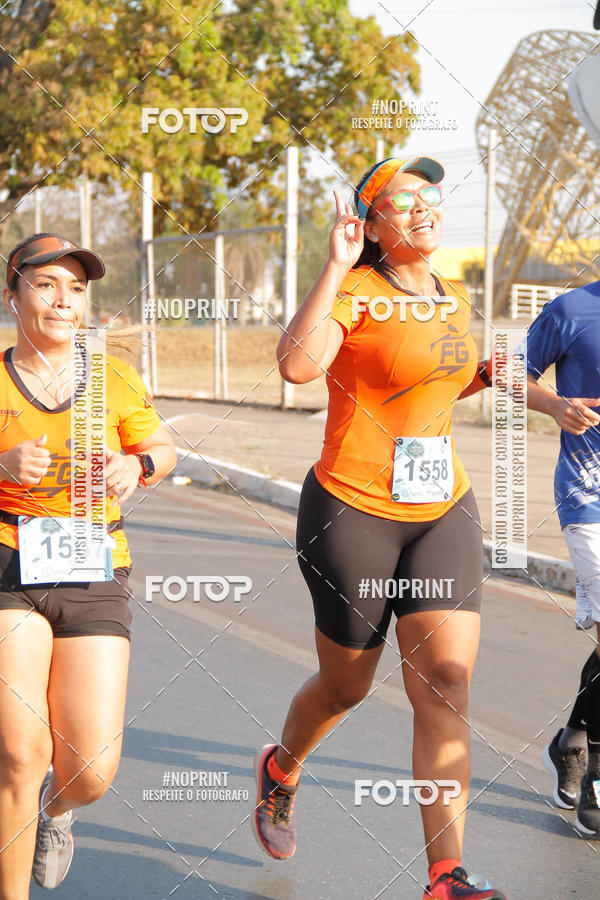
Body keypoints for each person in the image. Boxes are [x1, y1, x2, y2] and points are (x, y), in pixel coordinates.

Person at [252, 157, 506, 899]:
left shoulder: (455, 297)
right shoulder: (355, 291)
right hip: (352, 512)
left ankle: (444, 874)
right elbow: (298, 368)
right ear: (372, 225)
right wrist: (332, 267)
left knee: (447, 684)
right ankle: (282, 767)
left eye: (432, 195)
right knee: (346, 686)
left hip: (440, 511)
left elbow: (446, 381)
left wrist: (513, 383)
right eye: (403, 200)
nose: (424, 207)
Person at [0, 232, 176, 897]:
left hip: (93, 569)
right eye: (45, 285)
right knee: (21, 755)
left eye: (76, 288)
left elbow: (163, 446)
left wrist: (140, 463)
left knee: (91, 770)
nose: (63, 300)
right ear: (13, 294)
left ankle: (58, 810)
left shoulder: (112, 378)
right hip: (9, 565)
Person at [525, 281, 600, 837]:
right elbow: (510, 371)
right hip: (588, 492)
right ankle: (595, 777)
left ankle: (573, 737)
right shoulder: (572, 309)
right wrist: (554, 404)